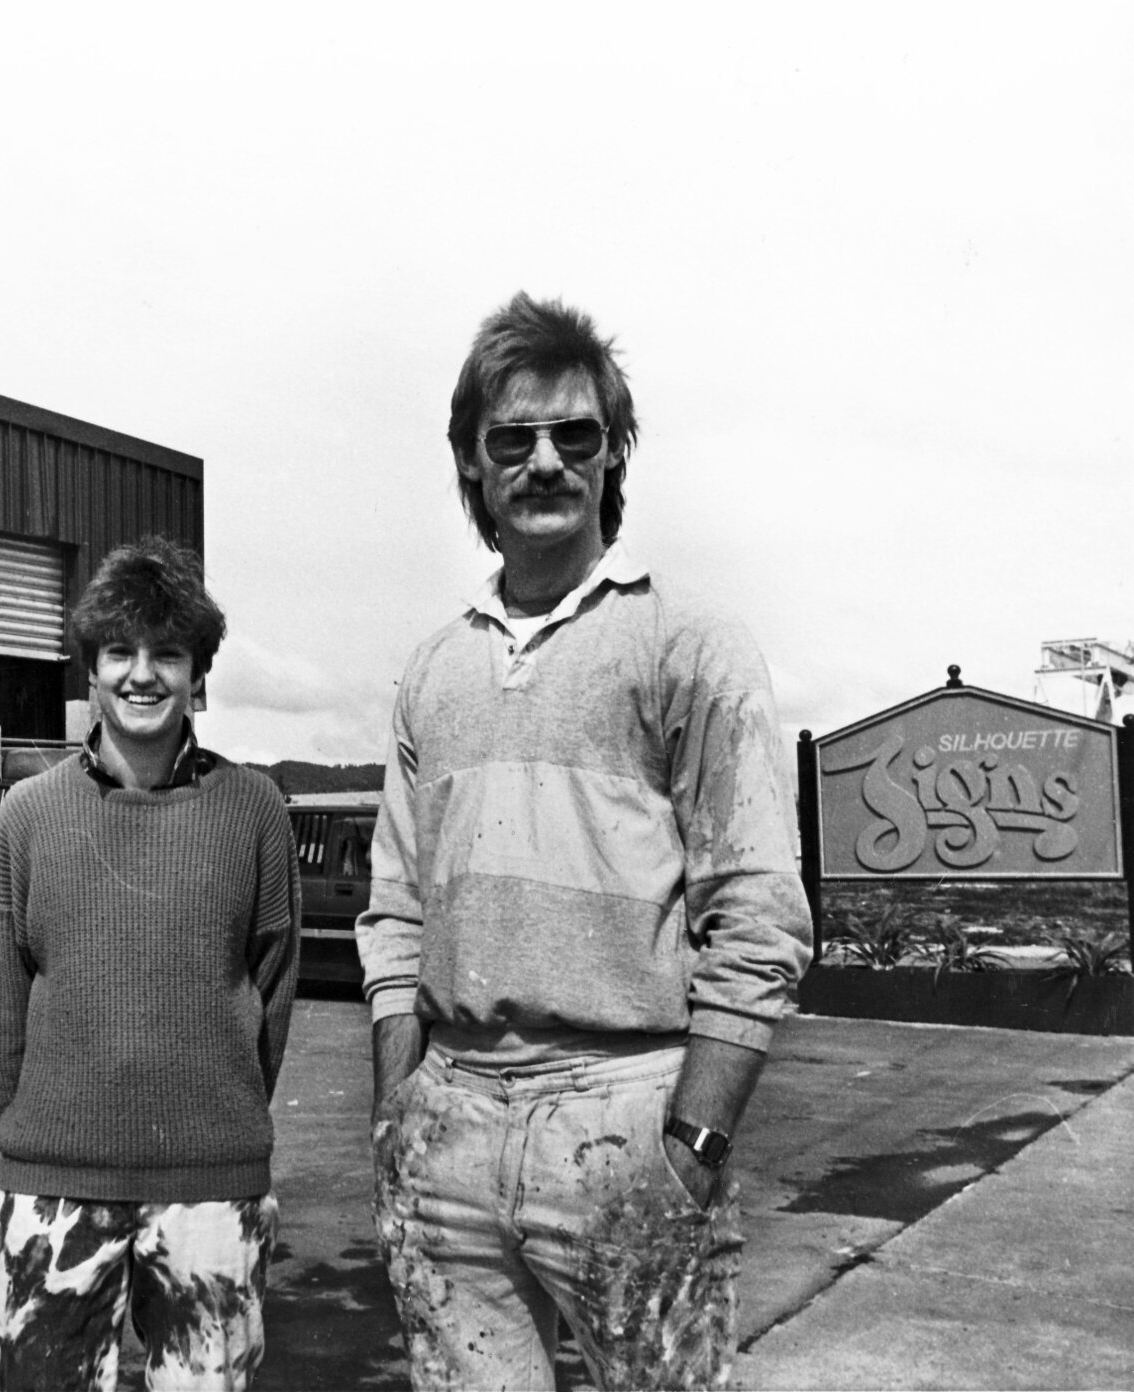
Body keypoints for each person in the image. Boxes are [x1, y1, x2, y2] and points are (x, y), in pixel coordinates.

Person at [359, 292, 812, 1391]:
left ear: (613, 456)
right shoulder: (432, 671)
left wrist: (692, 1145)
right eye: (511, 439)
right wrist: (397, 1112)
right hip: (448, 1123)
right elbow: (395, 908)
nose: (545, 462)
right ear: (471, 465)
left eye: (575, 434)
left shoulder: (688, 645)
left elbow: (760, 914)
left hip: (626, 1115)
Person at [0, 536, 301, 1392]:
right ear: (90, 669)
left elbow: (272, 993)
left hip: (211, 1190)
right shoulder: (27, 814)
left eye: (168, 654)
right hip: (55, 1184)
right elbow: (4, 1004)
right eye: (119, 651)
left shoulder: (254, 811)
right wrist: (34, 1138)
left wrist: (218, 1120)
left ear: (198, 674)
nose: (142, 674)